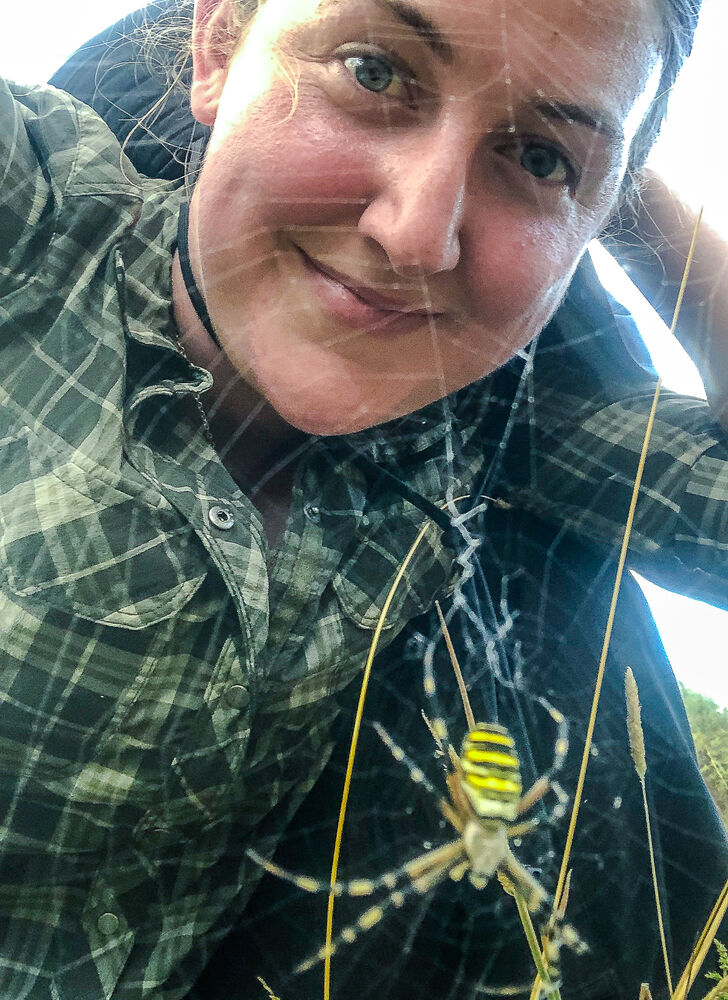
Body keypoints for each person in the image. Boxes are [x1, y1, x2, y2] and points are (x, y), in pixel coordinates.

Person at [1, 0, 727, 998]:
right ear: (217, 47)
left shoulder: (481, 433)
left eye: (538, 158)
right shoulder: (35, 221)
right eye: (373, 71)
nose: (414, 233)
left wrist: (618, 176)